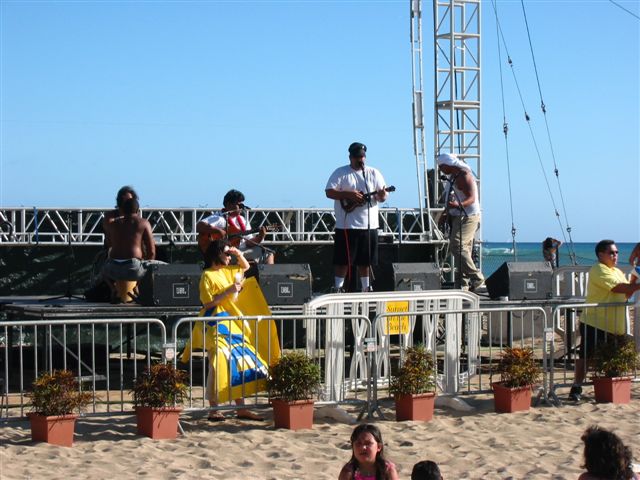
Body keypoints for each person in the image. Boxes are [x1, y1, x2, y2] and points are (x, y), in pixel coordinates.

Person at [199, 239, 264, 421]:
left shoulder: (229, 270)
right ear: (216, 254)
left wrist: (237, 253)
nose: (229, 257)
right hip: (216, 322)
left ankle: (240, 407)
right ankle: (214, 409)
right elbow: (207, 303)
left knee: (236, 361)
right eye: (226, 254)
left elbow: (245, 267)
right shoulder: (207, 276)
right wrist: (227, 292)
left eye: (229, 254)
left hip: (232, 321)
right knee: (217, 361)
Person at [568, 239, 640, 401]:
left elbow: (627, 291)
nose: (615, 255)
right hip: (595, 322)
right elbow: (618, 288)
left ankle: (610, 391)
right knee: (586, 357)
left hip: (614, 325)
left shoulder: (617, 271)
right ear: (601, 255)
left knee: (613, 358)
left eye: (617, 252)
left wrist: (635, 277)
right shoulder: (598, 269)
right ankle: (576, 388)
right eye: (611, 253)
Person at [326, 142, 389, 292]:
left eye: (362, 156)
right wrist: (348, 194)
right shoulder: (340, 172)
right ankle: (338, 288)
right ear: (350, 157)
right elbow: (329, 192)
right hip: (346, 225)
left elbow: (383, 196)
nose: (359, 159)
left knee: (365, 260)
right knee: (342, 260)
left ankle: (366, 288)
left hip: (369, 224)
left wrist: (382, 195)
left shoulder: (374, 173)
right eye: (356, 157)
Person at [436, 153, 484, 291]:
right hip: (457, 215)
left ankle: (477, 278)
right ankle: (462, 285)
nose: (440, 169)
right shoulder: (453, 177)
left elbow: (472, 198)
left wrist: (457, 205)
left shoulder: (465, 176)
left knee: (457, 245)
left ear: (448, 164)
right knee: (464, 251)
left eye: (442, 166)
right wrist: (446, 213)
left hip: (468, 216)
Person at [101, 197, 162, 301]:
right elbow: (151, 251)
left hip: (112, 269)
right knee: (161, 267)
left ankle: (113, 289)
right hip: (133, 269)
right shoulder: (143, 223)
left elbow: (108, 243)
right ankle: (137, 288)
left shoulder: (113, 224)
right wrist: (146, 264)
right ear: (137, 211)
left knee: (103, 269)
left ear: (122, 211)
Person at [197, 189, 274, 265]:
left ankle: (268, 276)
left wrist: (261, 236)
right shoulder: (219, 218)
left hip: (242, 251)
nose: (241, 207)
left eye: (242, 205)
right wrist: (218, 231)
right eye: (239, 205)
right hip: (224, 253)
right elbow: (199, 226)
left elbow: (249, 243)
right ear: (228, 204)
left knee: (268, 253)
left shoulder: (243, 220)